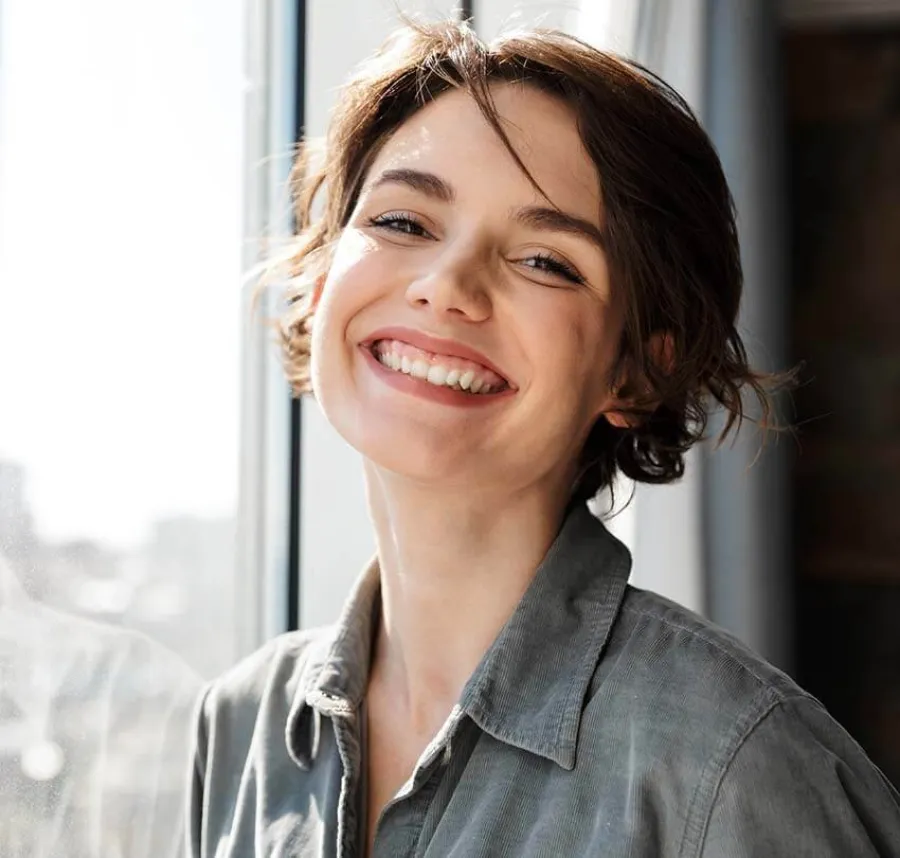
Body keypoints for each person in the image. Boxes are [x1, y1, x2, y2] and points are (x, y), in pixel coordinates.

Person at [186, 18, 900, 858]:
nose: (447, 286)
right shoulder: (242, 728)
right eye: (404, 223)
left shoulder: (735, 768)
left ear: (635, 371)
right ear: (317, 276)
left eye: (546, 262)